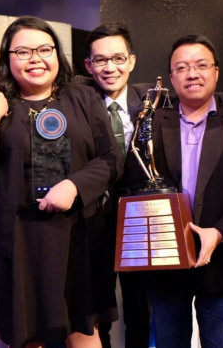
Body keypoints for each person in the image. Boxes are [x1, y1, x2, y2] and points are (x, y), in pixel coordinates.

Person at [0, 16, 122, 348]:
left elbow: (110, 159)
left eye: (45, 49)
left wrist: (75, 186)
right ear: (7, 57)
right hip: (13, 241)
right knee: (23, 335)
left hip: (74, 236)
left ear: (57, 54)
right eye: (23, 51)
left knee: (83, 332)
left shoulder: (83, 97)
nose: (36, 58)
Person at [146, 35, 223, 348]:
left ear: (216, 72)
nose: (191, 73)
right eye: (181, 68)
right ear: (171, 78)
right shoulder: (151, 124)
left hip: (222, 264)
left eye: (200, 65)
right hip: (166, 266)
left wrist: (219, 232)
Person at [80, 22, 152, 348]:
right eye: (100, 60)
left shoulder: (152, 98)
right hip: (93, 222)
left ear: (132, 61)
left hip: (139, 220)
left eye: (118, 58)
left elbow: (208, 93)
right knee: (98, 309)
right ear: (88, 65)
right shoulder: (77, 102)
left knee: (140, 308)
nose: (110, 68)